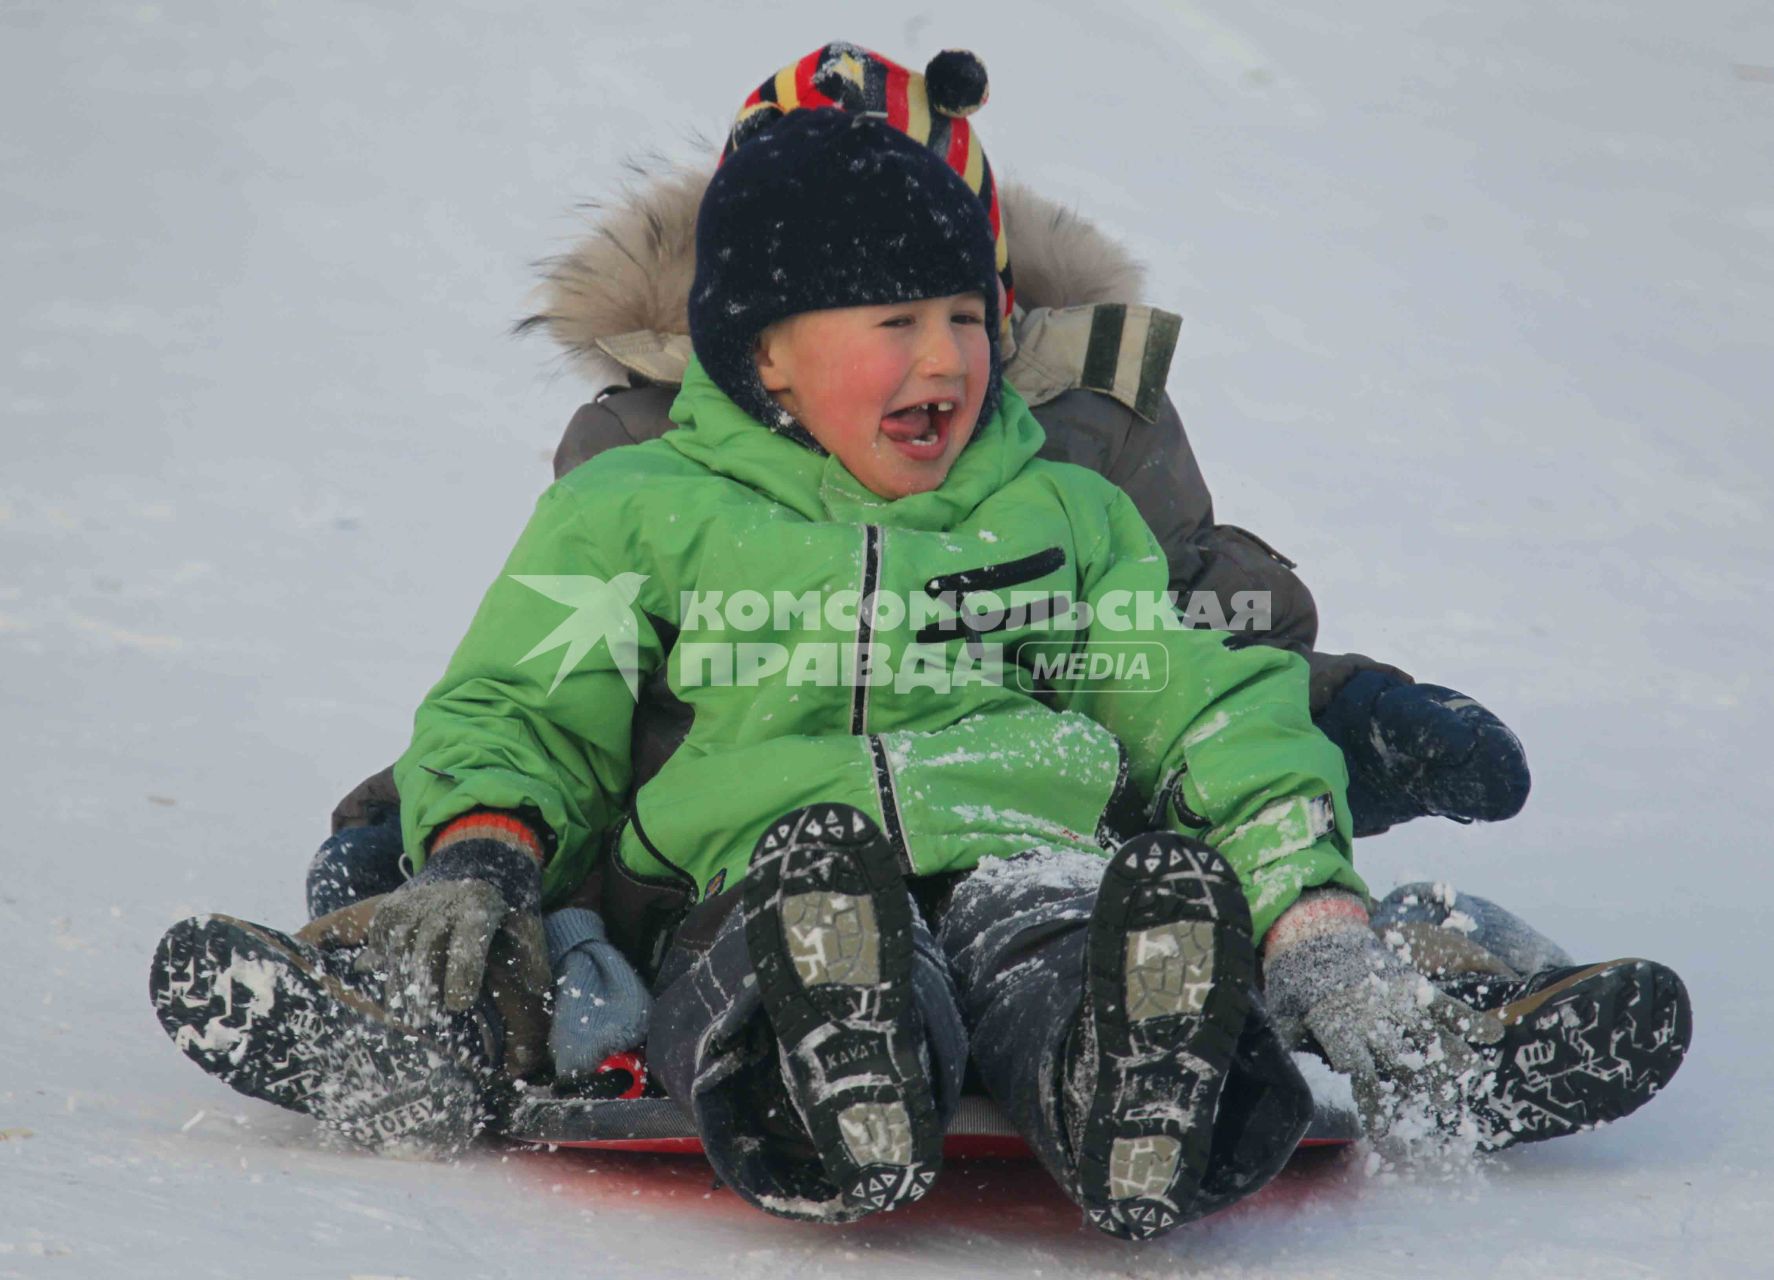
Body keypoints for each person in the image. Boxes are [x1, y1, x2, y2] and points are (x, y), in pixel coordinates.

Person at [152, 93, 1688, 1240]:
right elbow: (524, 702)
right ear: (761, 353)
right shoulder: (634, 502)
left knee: (1074, 926)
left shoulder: (1066, 505)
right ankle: (830, 1052)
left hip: (1033, 845)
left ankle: (1129, 1071)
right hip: (758, 869)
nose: (946, 358)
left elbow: (1212, 701)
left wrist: (1314, 908)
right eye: (894, 323)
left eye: (966, 316)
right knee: (790, 916)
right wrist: (478, 851)